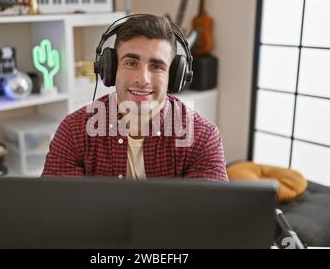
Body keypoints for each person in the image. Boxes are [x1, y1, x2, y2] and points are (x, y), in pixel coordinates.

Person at [42, 14, 228, 181]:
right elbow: (59, 209)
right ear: (111, 68)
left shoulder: (202, 137)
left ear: (174, 76)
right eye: (131, 63)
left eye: (157, 66)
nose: (143, 79)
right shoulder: (73, 131)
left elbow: (208, 215)